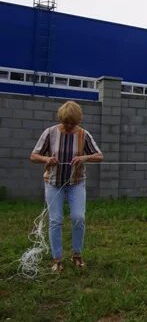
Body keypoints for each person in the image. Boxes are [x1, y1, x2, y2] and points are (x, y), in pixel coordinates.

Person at [30, 101, 103, 271]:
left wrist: (85, 158)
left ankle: (77, 255)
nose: (69, 126)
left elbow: (99, 156)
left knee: (78, 218)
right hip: (53, 183)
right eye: (66, 122)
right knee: (56, 220)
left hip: (76, 183)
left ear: (78, 120)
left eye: (73, 123)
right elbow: (33, 156)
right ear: (61, 119)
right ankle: (57, 259)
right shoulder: (49, 133)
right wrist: (47, 159)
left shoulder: (84, 135)